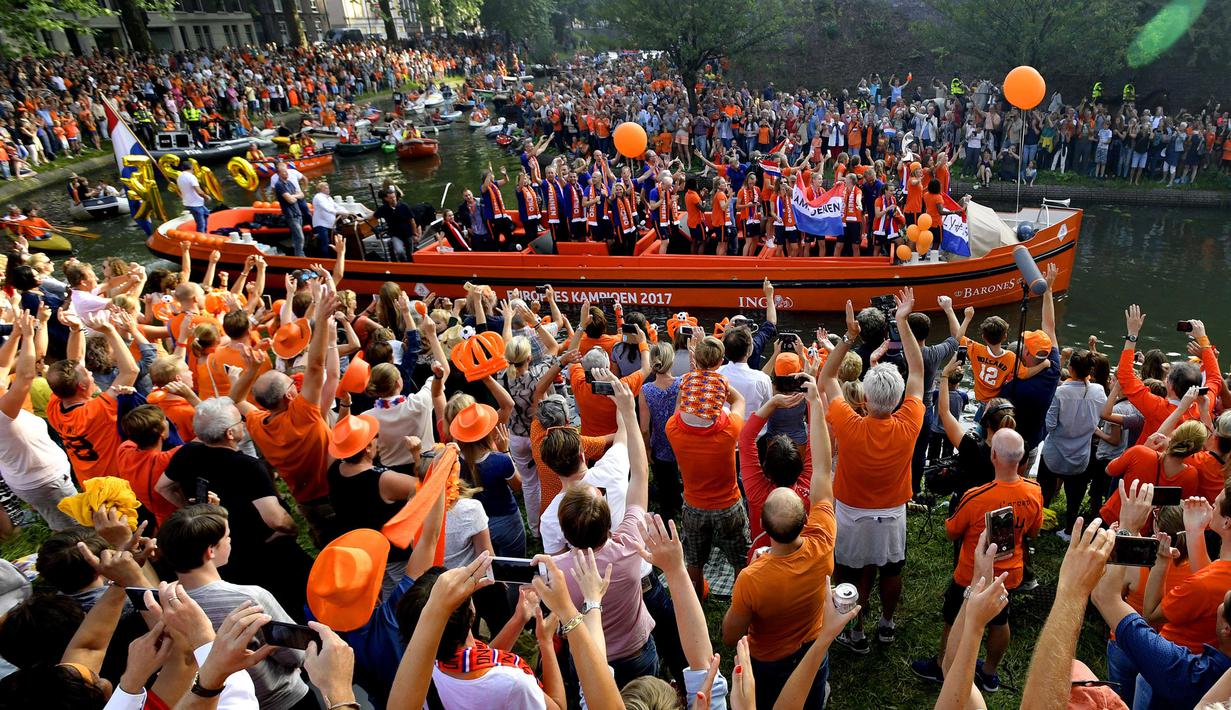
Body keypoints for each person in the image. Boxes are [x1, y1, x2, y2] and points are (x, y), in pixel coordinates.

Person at [820, 289, 924, 653]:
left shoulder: (849, 423)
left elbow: (827, 378)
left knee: (848, 574)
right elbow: (918, 370)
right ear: (898, 399)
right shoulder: (910, 421)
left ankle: (856, 632)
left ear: (864, 398)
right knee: (891, 570)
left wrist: (850, 337)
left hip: (851, 512)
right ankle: (887, 624)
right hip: (892, 512)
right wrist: (901, 322)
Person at [723, 376, 835, 708]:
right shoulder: (823, 537)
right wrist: (813, 404)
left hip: (767, 661)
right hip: (813, 647)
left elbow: (745, 438)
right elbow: (822, 463)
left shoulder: (751, 577)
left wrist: (772, 404)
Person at [912, 428, 1043, 692]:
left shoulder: (976, 496)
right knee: (1000, 620)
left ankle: (942, 666)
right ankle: (990, 673)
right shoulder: (1034, 491)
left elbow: (952, 532)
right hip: (1009, 575)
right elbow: (1033, 531)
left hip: (970, 575)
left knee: (954, 620)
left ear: (993, 456)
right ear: (1022, 459)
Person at [157, 396, 312, 616]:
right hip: (261, 551)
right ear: (230, 433)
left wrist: (197, 512)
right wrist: (291, 528)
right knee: (293, 599)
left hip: (220, 550)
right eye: (240, 421)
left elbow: (163, 487)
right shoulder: (248, 466)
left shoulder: (187, 452)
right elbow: (276, 519)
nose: (243, 424)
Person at [157, 504, 317, 710]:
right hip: (284, 699)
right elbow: (295, 654)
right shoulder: (248, 597)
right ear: (210, 550)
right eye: (227, 537)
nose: (230, 541)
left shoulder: (166, 604)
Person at [47, 312, 138, 483]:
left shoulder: (54, 406)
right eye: (87, 373)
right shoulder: (96, 410)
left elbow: (75, 364)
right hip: (115, 484)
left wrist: (76, 329)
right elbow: (130, 371)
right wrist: (110, 331)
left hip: (88, 481)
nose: (90, 372)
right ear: (82, 386)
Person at [1037, 349, 1108, 531]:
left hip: (1054, 453)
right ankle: (1070, 529)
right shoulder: (1099, 391)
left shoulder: (1060, 392)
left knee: (1044, 490)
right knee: (1075, 496)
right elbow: (1100, 421)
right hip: (1081, 454)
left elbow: (1050, 425)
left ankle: (1039, 523)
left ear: (1071, 369)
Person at [374, 187, 418, 261]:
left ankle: (411, 264)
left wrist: (414, 234)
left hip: (407, 233)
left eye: (394, 197)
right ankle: (403, 263)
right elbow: (374, 215)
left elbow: (412, 221)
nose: (393, 199)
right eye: (391, 198)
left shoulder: (404, 206)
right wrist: (362, 218)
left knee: (410, 253)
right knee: (399, 251)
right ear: (386, 199)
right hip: (395, 235)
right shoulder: (384, 209)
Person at [274, 162, 308, 257]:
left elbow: (301, 195)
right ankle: (300, 256)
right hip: (291, 215)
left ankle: (295, 253)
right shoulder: (279, 185)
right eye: (284, 172)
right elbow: (290, 200)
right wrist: (294, 196)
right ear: (279, 173)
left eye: (286, 171)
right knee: (300, 237)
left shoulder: (289, 183)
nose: (286, 173)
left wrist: (293, 196)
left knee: (296, 236)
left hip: (298, 213)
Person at [311, 181, 351, 258]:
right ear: (321, 189)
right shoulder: (318, 197)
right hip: (321, 224)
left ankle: (336, 257)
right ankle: (326, 259)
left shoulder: (328, 198)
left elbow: (336, 206)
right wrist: (341, 213)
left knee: (334, 240)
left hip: (330, 224)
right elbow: (328, 209)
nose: (328, 189)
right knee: (325, 242)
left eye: (328, 188)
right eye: (326, 188)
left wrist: (346, 211)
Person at [177, 166, 209, 233]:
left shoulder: (179, 177)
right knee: (201, 224)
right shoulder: (191, 177)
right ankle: (201, 236)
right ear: (192, 168)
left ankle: (205, 232)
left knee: (206, 213)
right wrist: (206, 197)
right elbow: (199, 191)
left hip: (189, 202)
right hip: (195, 204)